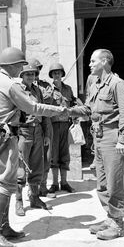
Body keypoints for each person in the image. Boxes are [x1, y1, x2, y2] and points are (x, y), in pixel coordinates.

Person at [0, 47, 69, 247]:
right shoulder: (11, 85)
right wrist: (60, 110)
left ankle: (4, 228)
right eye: (21, 65)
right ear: (12, 65)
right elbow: (33, 108)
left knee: (7, 182)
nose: (22, 69)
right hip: (3, 137)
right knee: (6, 185)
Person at [69, 49, 124, 240]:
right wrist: (68, 111)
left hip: (113, 137)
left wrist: (122, 140)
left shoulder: (117, 84)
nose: (89, 64)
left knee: (114, 182)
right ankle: (110, 217)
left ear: (105, 61)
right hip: (98, 136)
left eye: (93, 61)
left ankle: (118, 224)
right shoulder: (94, 83)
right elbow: (89, 109)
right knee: (102, 182)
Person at [15, 62, 53, 217]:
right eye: (27, 74)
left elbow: (43, 112)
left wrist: (45, 134)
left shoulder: (37, 90)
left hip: (37, 130)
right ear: (22, 76)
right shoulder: (17, 90)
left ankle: (35, 197)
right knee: (21, 167)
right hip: (24, 131)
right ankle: (18, 201)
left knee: (37, 164)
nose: (31, 76)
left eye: (33, 74)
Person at [47, 63, 76, 194]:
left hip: (65, 125)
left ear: (62, 74)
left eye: (59, 73)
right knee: (53, 154)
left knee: (65, 154)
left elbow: (74, 103)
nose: (57, 75)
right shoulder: (48, 90)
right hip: (53, 125)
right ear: (51, 75)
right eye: (54, 73)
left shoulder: (68, 89)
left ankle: (64, 182)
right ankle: (54, 183)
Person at [29, 58, 56, 198]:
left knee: (47, 156)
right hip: (29, 125)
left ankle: (43, 187)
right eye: (33, 70)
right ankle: (31, 191)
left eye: (38, 69)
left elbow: (48, 100)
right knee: (30, 159)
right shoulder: (22, 86)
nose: (36, 72)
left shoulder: (45, 86)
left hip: (45, 121)